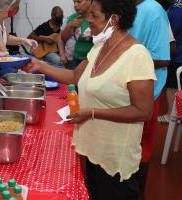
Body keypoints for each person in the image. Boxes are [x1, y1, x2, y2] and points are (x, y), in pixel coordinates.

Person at [24, 0, 156, 199]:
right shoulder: (99, 48)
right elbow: (75, 77)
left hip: (114, 158)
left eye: (94, 16)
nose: (88, 20)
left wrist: (92, 112)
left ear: (115, 19)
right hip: (92, 149)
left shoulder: (137, 56)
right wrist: (40, 66)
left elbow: (143, 110)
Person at [128, 1, 170, 199]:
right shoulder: (129, 8)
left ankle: (138, 194)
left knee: (141, 147)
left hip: (146, 90)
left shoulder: (153, 10)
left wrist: (124, 57)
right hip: (127, 87)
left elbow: (163, 57)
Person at [162, 0, 182, 124]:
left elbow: (171, 32)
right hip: (178, 52)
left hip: (177, 54)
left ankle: (171, 115)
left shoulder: (177, 8)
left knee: (173, 84)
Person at [60, 0, 93, 69]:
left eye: (79, 1)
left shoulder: (98, 17)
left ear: (89, 1)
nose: (75, 5)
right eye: (74, 2)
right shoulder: (73, 18)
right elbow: (63, 39)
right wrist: (70, 26)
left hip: (92, 59)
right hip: (76, 58)